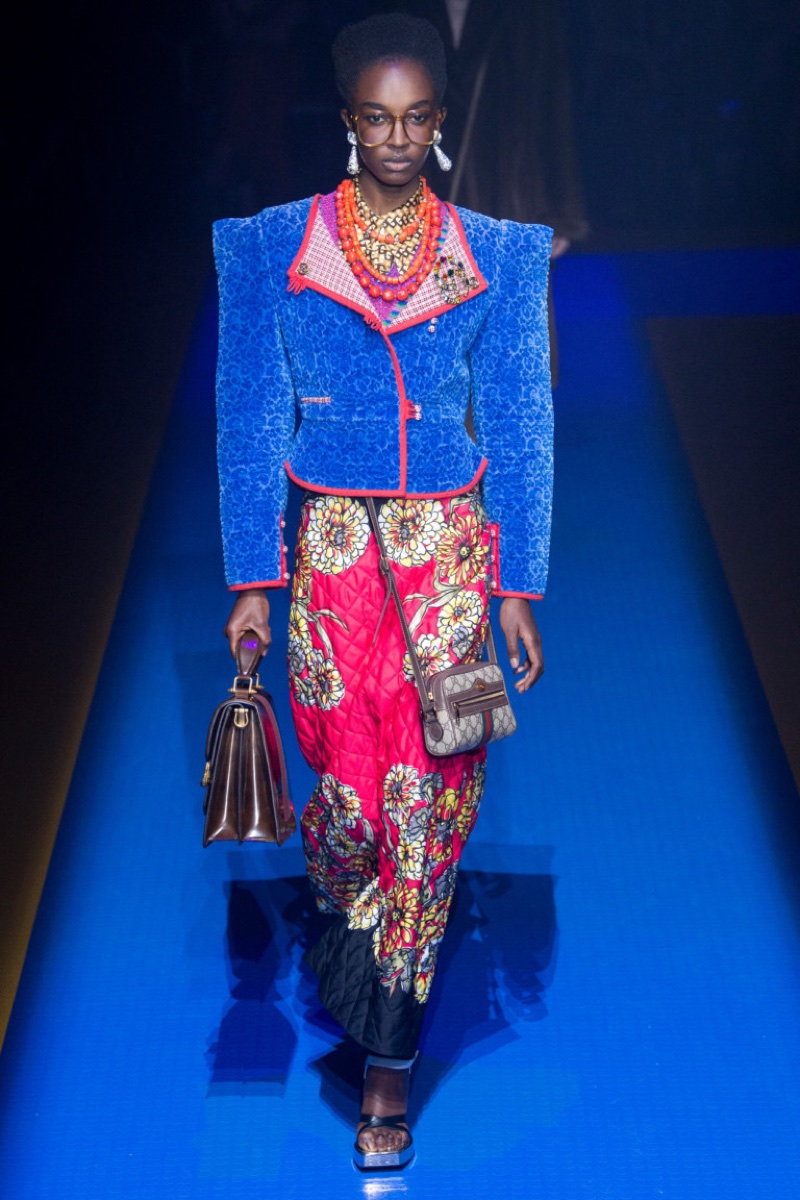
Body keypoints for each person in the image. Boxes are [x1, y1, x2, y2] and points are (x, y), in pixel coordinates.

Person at [213, 12, 553, 1171]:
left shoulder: (495, 256)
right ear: (346, 119)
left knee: (431, 795)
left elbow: (519, 421)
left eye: (416, 119)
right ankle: (353, 946)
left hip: (450, 568)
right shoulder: (275, 248)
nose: (397, 138)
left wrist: (518, 584)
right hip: (330, 574)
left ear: (440, 121)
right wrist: (253, 577)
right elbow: (249, 415)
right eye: (376, 117)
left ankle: (388, 1067)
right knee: (349, 807)